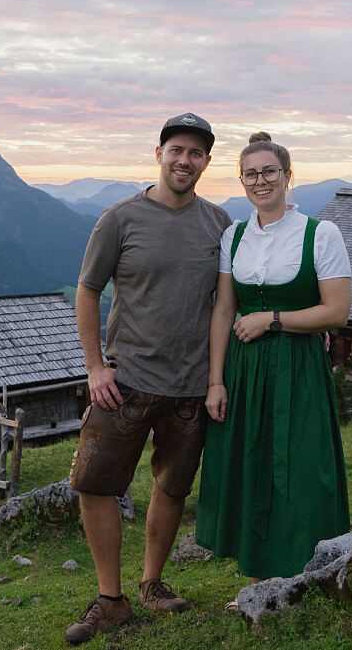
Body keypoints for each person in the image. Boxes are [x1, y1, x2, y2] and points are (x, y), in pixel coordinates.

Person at [65, 112, 231, 644]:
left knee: (172, 485)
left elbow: (228, 300)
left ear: (206, 162)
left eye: (196, 153)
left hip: (191, 386)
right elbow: (87, 290)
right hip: (126, 381)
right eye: (176, 150)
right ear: (159, 154)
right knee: (95, 483)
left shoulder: (220, 223)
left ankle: (152, 584)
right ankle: (110, 598)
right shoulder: (120, 218)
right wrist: (95, 367)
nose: (185, 160)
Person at [195, 131, 352, 607]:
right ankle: (260, 578)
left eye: (269, 172)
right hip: (244, 368)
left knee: (301, 466)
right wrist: (216, 381)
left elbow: (337, 312)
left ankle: (309, 573)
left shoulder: (320, 234)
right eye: (251, 174)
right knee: (252, 464)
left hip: (298, 368)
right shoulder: (234, 236)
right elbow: (224, 309)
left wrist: (274, 319)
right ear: (242, 180)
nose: (260, 181)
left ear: (287, 176)